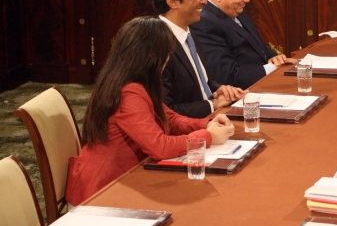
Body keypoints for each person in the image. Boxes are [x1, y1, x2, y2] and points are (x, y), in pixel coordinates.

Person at [66, 17, 235, 206]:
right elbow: (159, 147)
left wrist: (206, 124)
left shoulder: (136, 81)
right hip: (101, 191)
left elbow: (169, 118)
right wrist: (206, 137)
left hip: (126, 179)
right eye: (166, 53)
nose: (168, 58)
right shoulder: (128, 92)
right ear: (151, 57)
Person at [152, 0, 246, 118]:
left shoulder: (190, 33)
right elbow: (165, 111)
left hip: (214, 117)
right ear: (173, 2)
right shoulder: (157, 45)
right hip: (193, 127)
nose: (204, 1)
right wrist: (212, 105)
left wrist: (219, 89)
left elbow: (202, 82)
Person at [191, 0, 296, 89]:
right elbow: (227, 76)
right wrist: (272, 68)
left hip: (264, 83)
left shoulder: (233, 7)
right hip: (244, 93)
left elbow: (257, 44)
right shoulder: (203, 22)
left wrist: (275, 58)